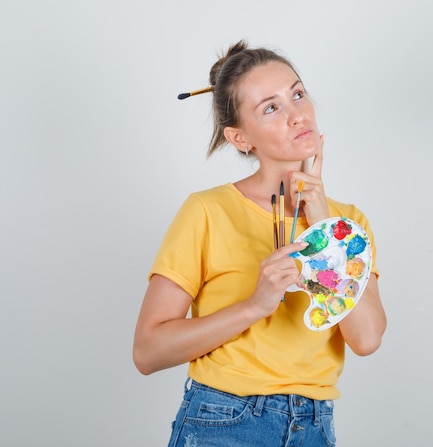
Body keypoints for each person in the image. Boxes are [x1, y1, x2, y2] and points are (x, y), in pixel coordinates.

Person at [132, 40, 387, 447]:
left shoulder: (349, 222)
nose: (296, 114)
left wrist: (323, 224)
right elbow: (148, 352)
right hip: (222, 421)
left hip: (314, 426)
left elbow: (367, 338)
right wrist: (255, 305)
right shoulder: (206, 211)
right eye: (271, 107)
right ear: (239, 138)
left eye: (297, 94)